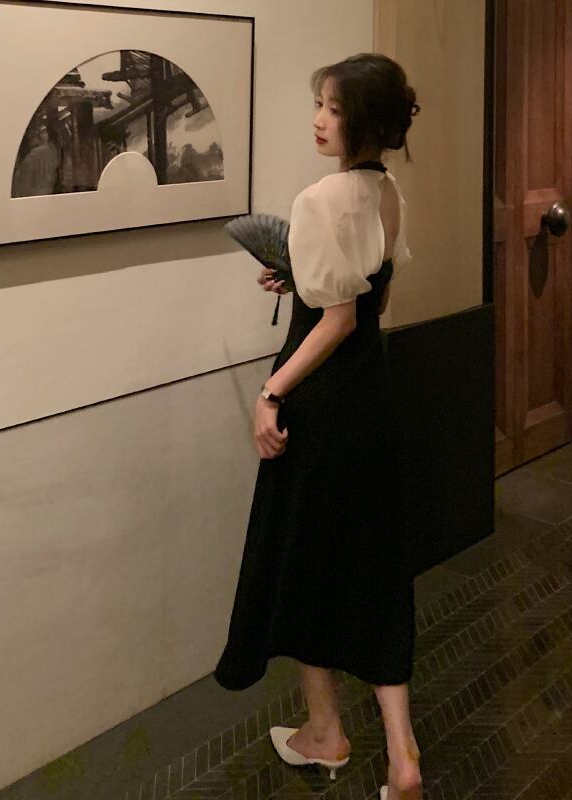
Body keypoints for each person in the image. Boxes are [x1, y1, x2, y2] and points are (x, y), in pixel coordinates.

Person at [215, 53, 422, 800]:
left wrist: (270, 393)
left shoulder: (318, 198)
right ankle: (402, 756)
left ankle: (325, 732)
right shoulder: (386, 192)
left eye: (333, 109)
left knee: (307, 565)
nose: (318, 119)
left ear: (362, 121)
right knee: (374, 569)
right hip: (375, 401)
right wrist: (300, 280)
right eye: (320, 105)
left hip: (323, 408)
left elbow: (336, 320)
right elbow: (371, 302)